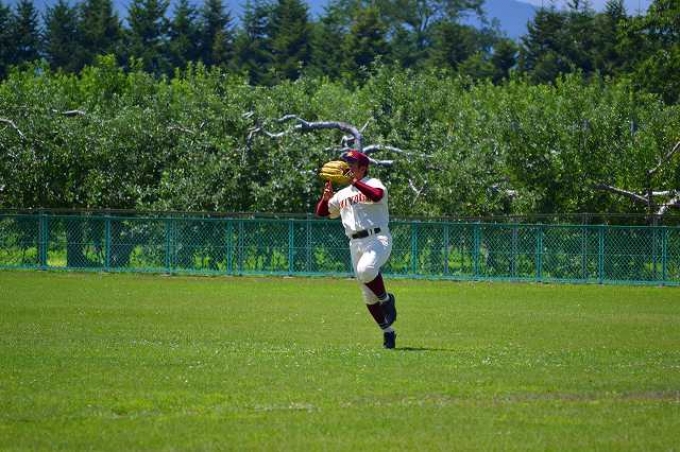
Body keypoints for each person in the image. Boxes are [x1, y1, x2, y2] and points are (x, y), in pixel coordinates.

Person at [315, 150, 398, 349]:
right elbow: (322, 213)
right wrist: (325, 198)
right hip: (355, 243)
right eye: (347, 163)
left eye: (352, 164)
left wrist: (354, 182)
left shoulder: (373, 183)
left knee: (366, 270)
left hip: (377, 238)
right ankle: (388, 332)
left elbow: (377, 196)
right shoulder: (343, 194)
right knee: (368, 296)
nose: (348, 167)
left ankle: (387, 300)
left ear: (363, 168)